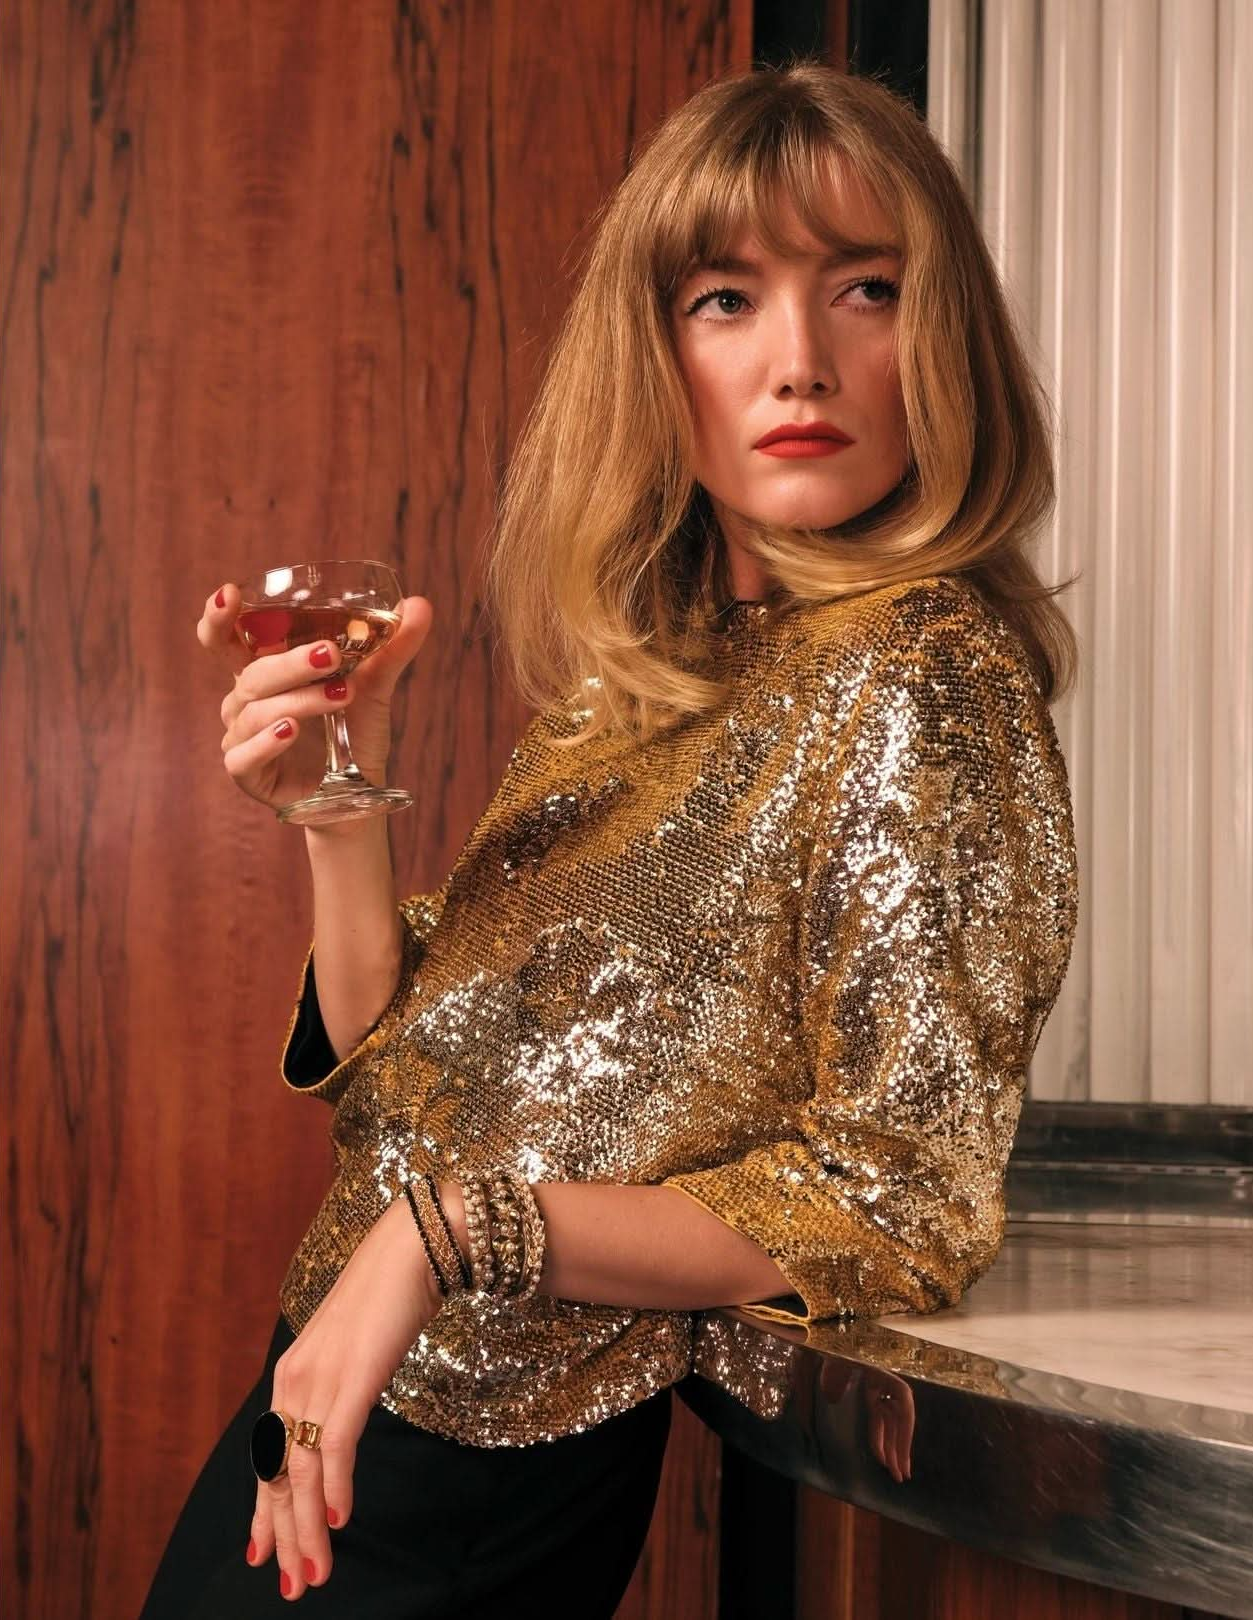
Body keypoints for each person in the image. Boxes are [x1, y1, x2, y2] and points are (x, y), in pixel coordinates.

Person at [138, 58, 1079, 1620]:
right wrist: (332, 808)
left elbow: (903, 1196)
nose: (800, 363)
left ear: (944, 340)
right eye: (727, 298)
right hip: (326, 1418)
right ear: (655, 353)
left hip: (480, 1485)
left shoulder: (923, 667)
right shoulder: (654, 674)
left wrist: (449, 1236)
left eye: (864, 288)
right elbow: (408, 1064)